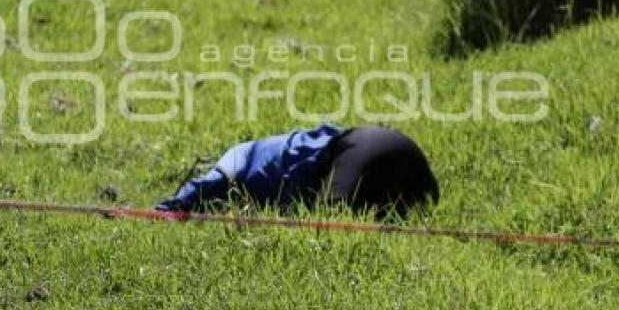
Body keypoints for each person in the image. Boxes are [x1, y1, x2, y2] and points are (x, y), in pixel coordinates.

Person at [155, 124, 439, 219]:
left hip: (356, 152)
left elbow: (201, 186)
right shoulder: (262, 150)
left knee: (333, 219)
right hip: (390, 147)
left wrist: (170, 208)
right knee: (400, 212)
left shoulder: (236, 160)